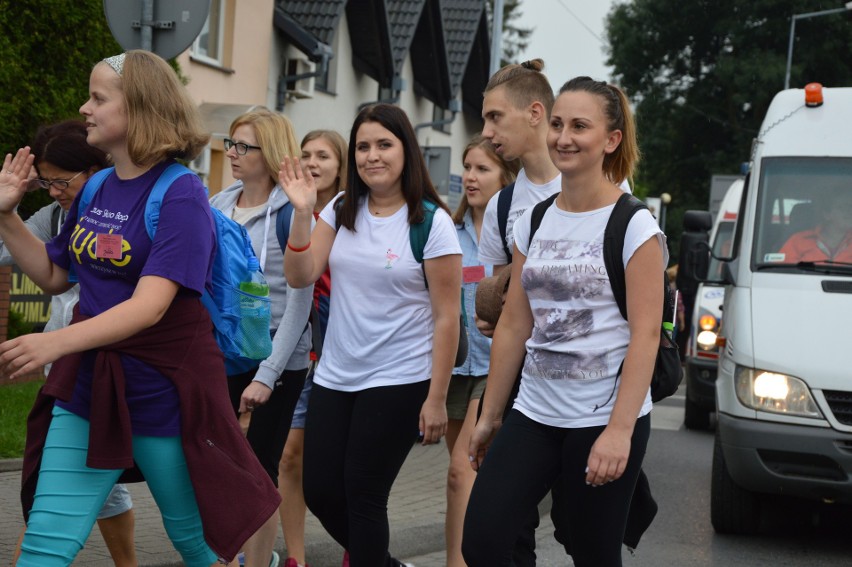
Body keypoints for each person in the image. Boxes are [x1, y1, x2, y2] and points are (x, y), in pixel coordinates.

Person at [0, 50, 279, 567]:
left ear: (140, 110)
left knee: (198, 545)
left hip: (164, 395)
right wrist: (8, 215)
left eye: (99, 98)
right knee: (43, 545)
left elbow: (150, 307)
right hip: (87, 389)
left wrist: (51, 342)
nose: (84, 108)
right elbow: (57, 274)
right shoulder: (98, 187)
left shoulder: (182, 195)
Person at [462, 76, 667, 567]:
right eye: (557, 124)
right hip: (534, 411)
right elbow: (514, 325)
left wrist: (619, 431)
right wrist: (490, 416)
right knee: (483, 542)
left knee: (590, 551)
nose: (563, 137)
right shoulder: (532, 220)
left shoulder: (633, 224)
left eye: (580, 126)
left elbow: (647, 335)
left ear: (610, 140)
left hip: (601, 417)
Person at [278, 103, 462, 567]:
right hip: (336, 376)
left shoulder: (431, 223)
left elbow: (447, 318)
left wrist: (437, 398)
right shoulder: (341, 209)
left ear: (406, 151)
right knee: (320, 488)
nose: (372, 155)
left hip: (400, 379)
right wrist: (303, 212)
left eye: (384, 144)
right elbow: (300, 275)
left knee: (363, 494)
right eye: (362, 146)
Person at [2, 120, 137, 567]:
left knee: (189, 512)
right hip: (68, 374)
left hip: (123, 372)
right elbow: (42, 270)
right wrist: (6, 212)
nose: (53, 191)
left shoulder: (138, 210)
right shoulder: (58, 217)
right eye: (46, 181)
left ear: (97, 169)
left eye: (61, 181)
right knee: (89, 482)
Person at [209, 109, 313, 567]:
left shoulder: (292, 213)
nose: (232, 153)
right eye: (231, 143)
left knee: (259, 468)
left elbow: (299, 304)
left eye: (243, 146)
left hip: (278, 356)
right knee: (218, 464)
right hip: (224, 351)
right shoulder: (216, 205)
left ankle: (257, 562)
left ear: (268, 152)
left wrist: (268, 375)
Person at [444, 135, 519, 567]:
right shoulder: (446, 232)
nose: (470, 177)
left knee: (461, 471)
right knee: (469, 476)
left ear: (506, 178)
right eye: (467, 167)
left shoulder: (515, 235)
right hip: (456, 366)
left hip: (496, 367)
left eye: (482, 169)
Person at [277, 129, 347, 567]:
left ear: (341, 167)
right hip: (302, 352)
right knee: (290, 455)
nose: (314, 161)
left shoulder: (354, 216)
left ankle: (356, 546)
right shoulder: (291, 215)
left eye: (324, 155)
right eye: (306, 154)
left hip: (345, 355)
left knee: (344, 461)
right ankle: (296, 557)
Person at [779, 192, 852, 262]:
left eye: (851, 207)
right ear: (827, 214)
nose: (849, 211)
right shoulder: (798, 240)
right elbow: (779, 271)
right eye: (843, 207)